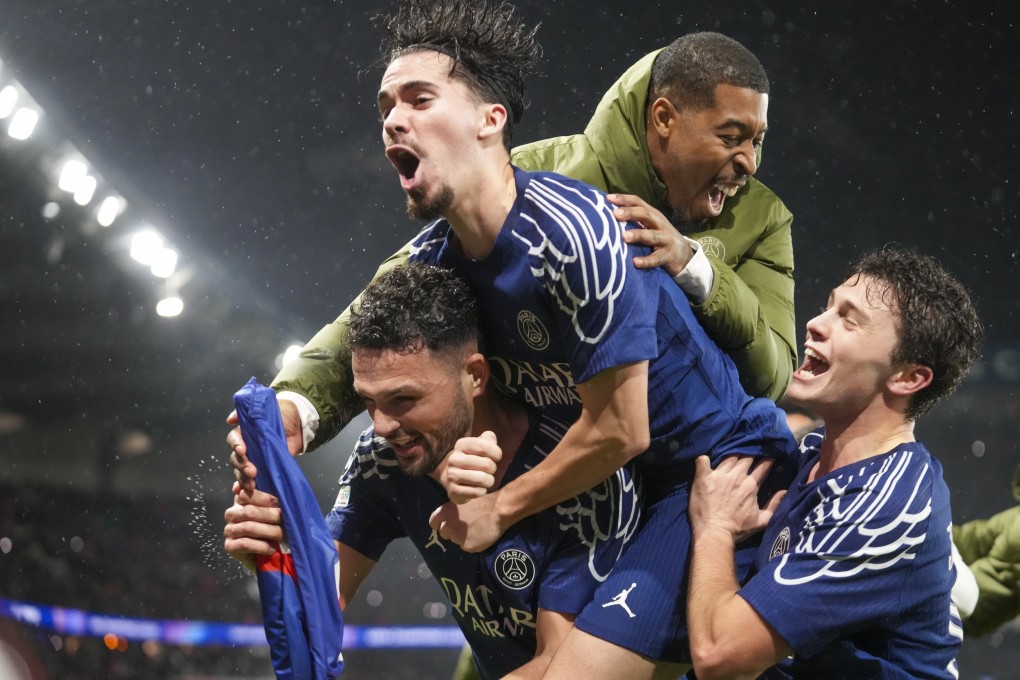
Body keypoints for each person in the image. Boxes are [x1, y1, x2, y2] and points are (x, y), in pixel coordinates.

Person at [252, 29, 795, 460]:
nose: (749, 161)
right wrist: (301, 403)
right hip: (568, 470)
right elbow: (400, 294)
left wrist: (696, 268)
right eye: (731, 137)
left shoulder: (763, 219)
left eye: (758, 140)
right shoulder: (533, 178)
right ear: (665, 119)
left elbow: (773, 379)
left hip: (698, 472)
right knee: (387, 461)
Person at [225, 263, 640, 680]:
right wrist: (278, 552)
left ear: (474, 375)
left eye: (404, 399)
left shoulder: (577, 476)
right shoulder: (381, 461)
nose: (382, 426)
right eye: (369, 401)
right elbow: (322, 600)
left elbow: (561, 666)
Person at [687, 247, 983, 678]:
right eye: (829, 306)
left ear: (907, 377)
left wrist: (714, 528)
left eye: (849, 319)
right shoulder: (811, 454)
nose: (815, 323)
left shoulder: (886, 503)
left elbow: (719, 654)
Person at [954, 465, 1020, 636]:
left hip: (962, 613)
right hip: (953, 605)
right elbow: (977, 539)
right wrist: (937, 532)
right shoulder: (1015, 518)